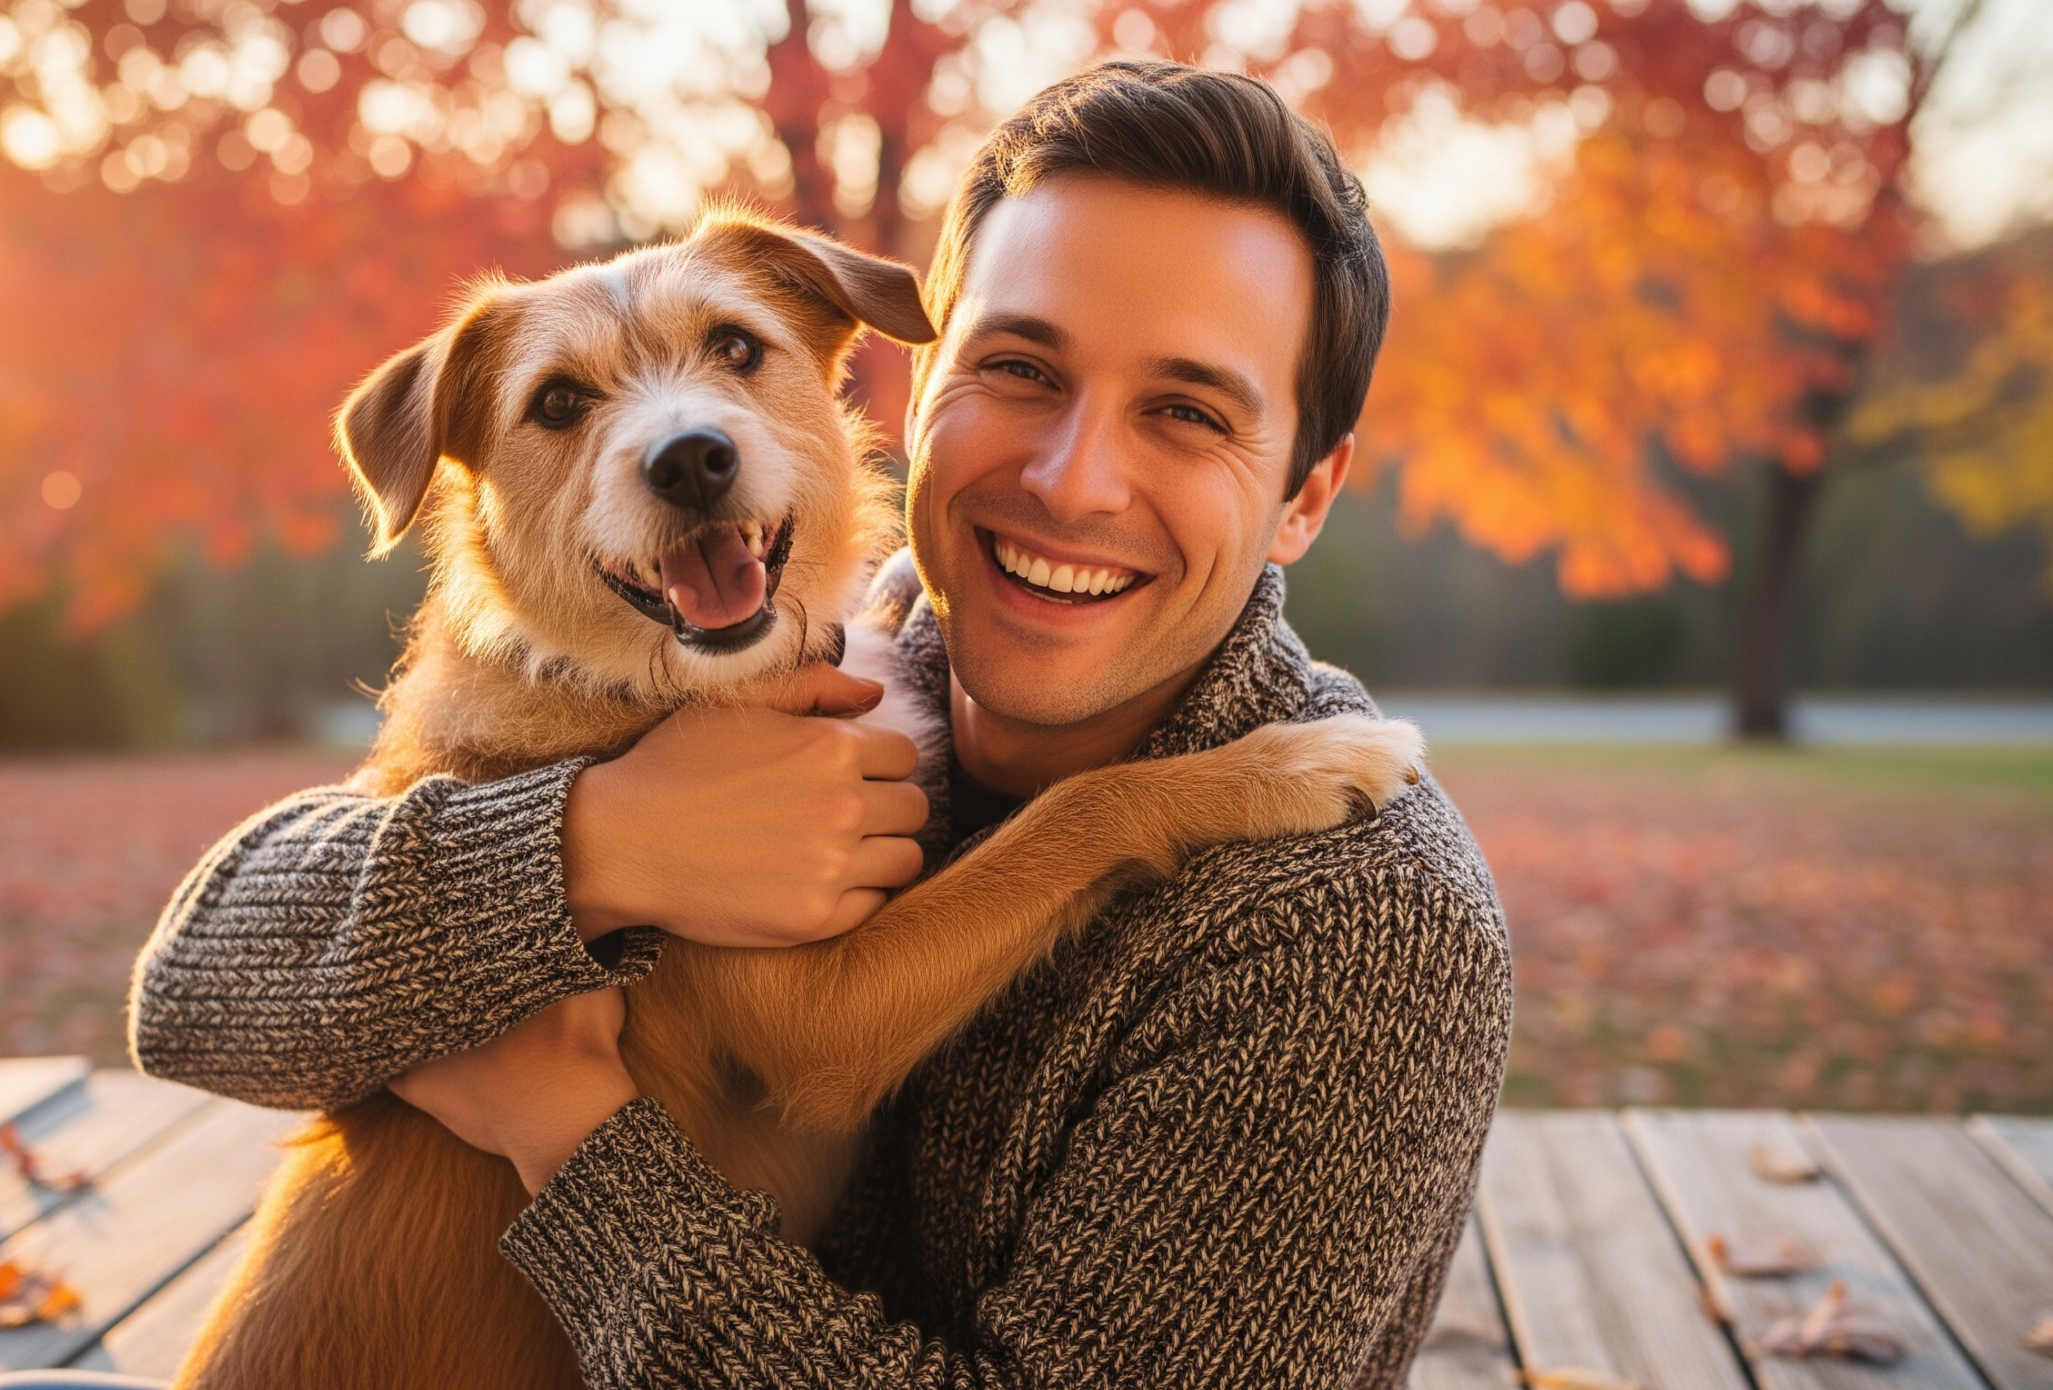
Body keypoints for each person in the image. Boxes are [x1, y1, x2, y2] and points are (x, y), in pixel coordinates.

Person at [109, 59, 1509, 1390]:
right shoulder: (867, 640)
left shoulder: (1351, 925)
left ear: (1305, 495)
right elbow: (186, 994)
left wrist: (569, 1138)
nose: (1073, 480)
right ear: (924, 375)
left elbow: (816, 1049)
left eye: (1188, 410)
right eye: (1020, 369)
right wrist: (590, 846)